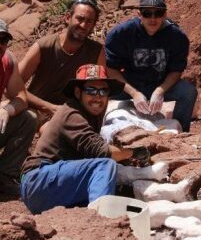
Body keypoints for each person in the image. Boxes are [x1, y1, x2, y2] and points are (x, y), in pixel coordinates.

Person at [20, 64, 149, 214]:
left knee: (116, 190)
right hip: (38, 180)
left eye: (103, 91)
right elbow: (104, 153)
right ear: (78, 92)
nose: (97, 96)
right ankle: (101, 220)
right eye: (91, 90)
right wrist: (133, 153)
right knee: (104, 166)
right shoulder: (72, 114)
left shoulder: (91, 114)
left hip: (54, 187)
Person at [105, 0, 197, 132]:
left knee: (188, 92)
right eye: (147, 13)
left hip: (160, 82)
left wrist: (160, 91)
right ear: (139, 14)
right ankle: (93, 131)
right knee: (98, 89)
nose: (153, 19)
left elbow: (176, 70)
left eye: (158, 13)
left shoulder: (177, 37)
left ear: (165, 14)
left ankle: (182, 132)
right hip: (130, 82)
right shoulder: (122, 33)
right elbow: (111, 69)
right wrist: (134, 93)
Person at [19, 0, 106, 126]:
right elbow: (13, 86)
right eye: (80, 18)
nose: (83, 25)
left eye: (89, 21)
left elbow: (100, 89)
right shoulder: (44, 46)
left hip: (71, 114)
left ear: (93, 25)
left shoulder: (96, 52)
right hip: (35, 110)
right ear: (67, 18)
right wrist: (48, 107)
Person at [0, 19, 37, 193]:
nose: (0, 45)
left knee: (28, 119)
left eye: (3, 40)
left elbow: (21, 97)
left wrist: (7, 109)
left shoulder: (7, 61)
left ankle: (5, 175)